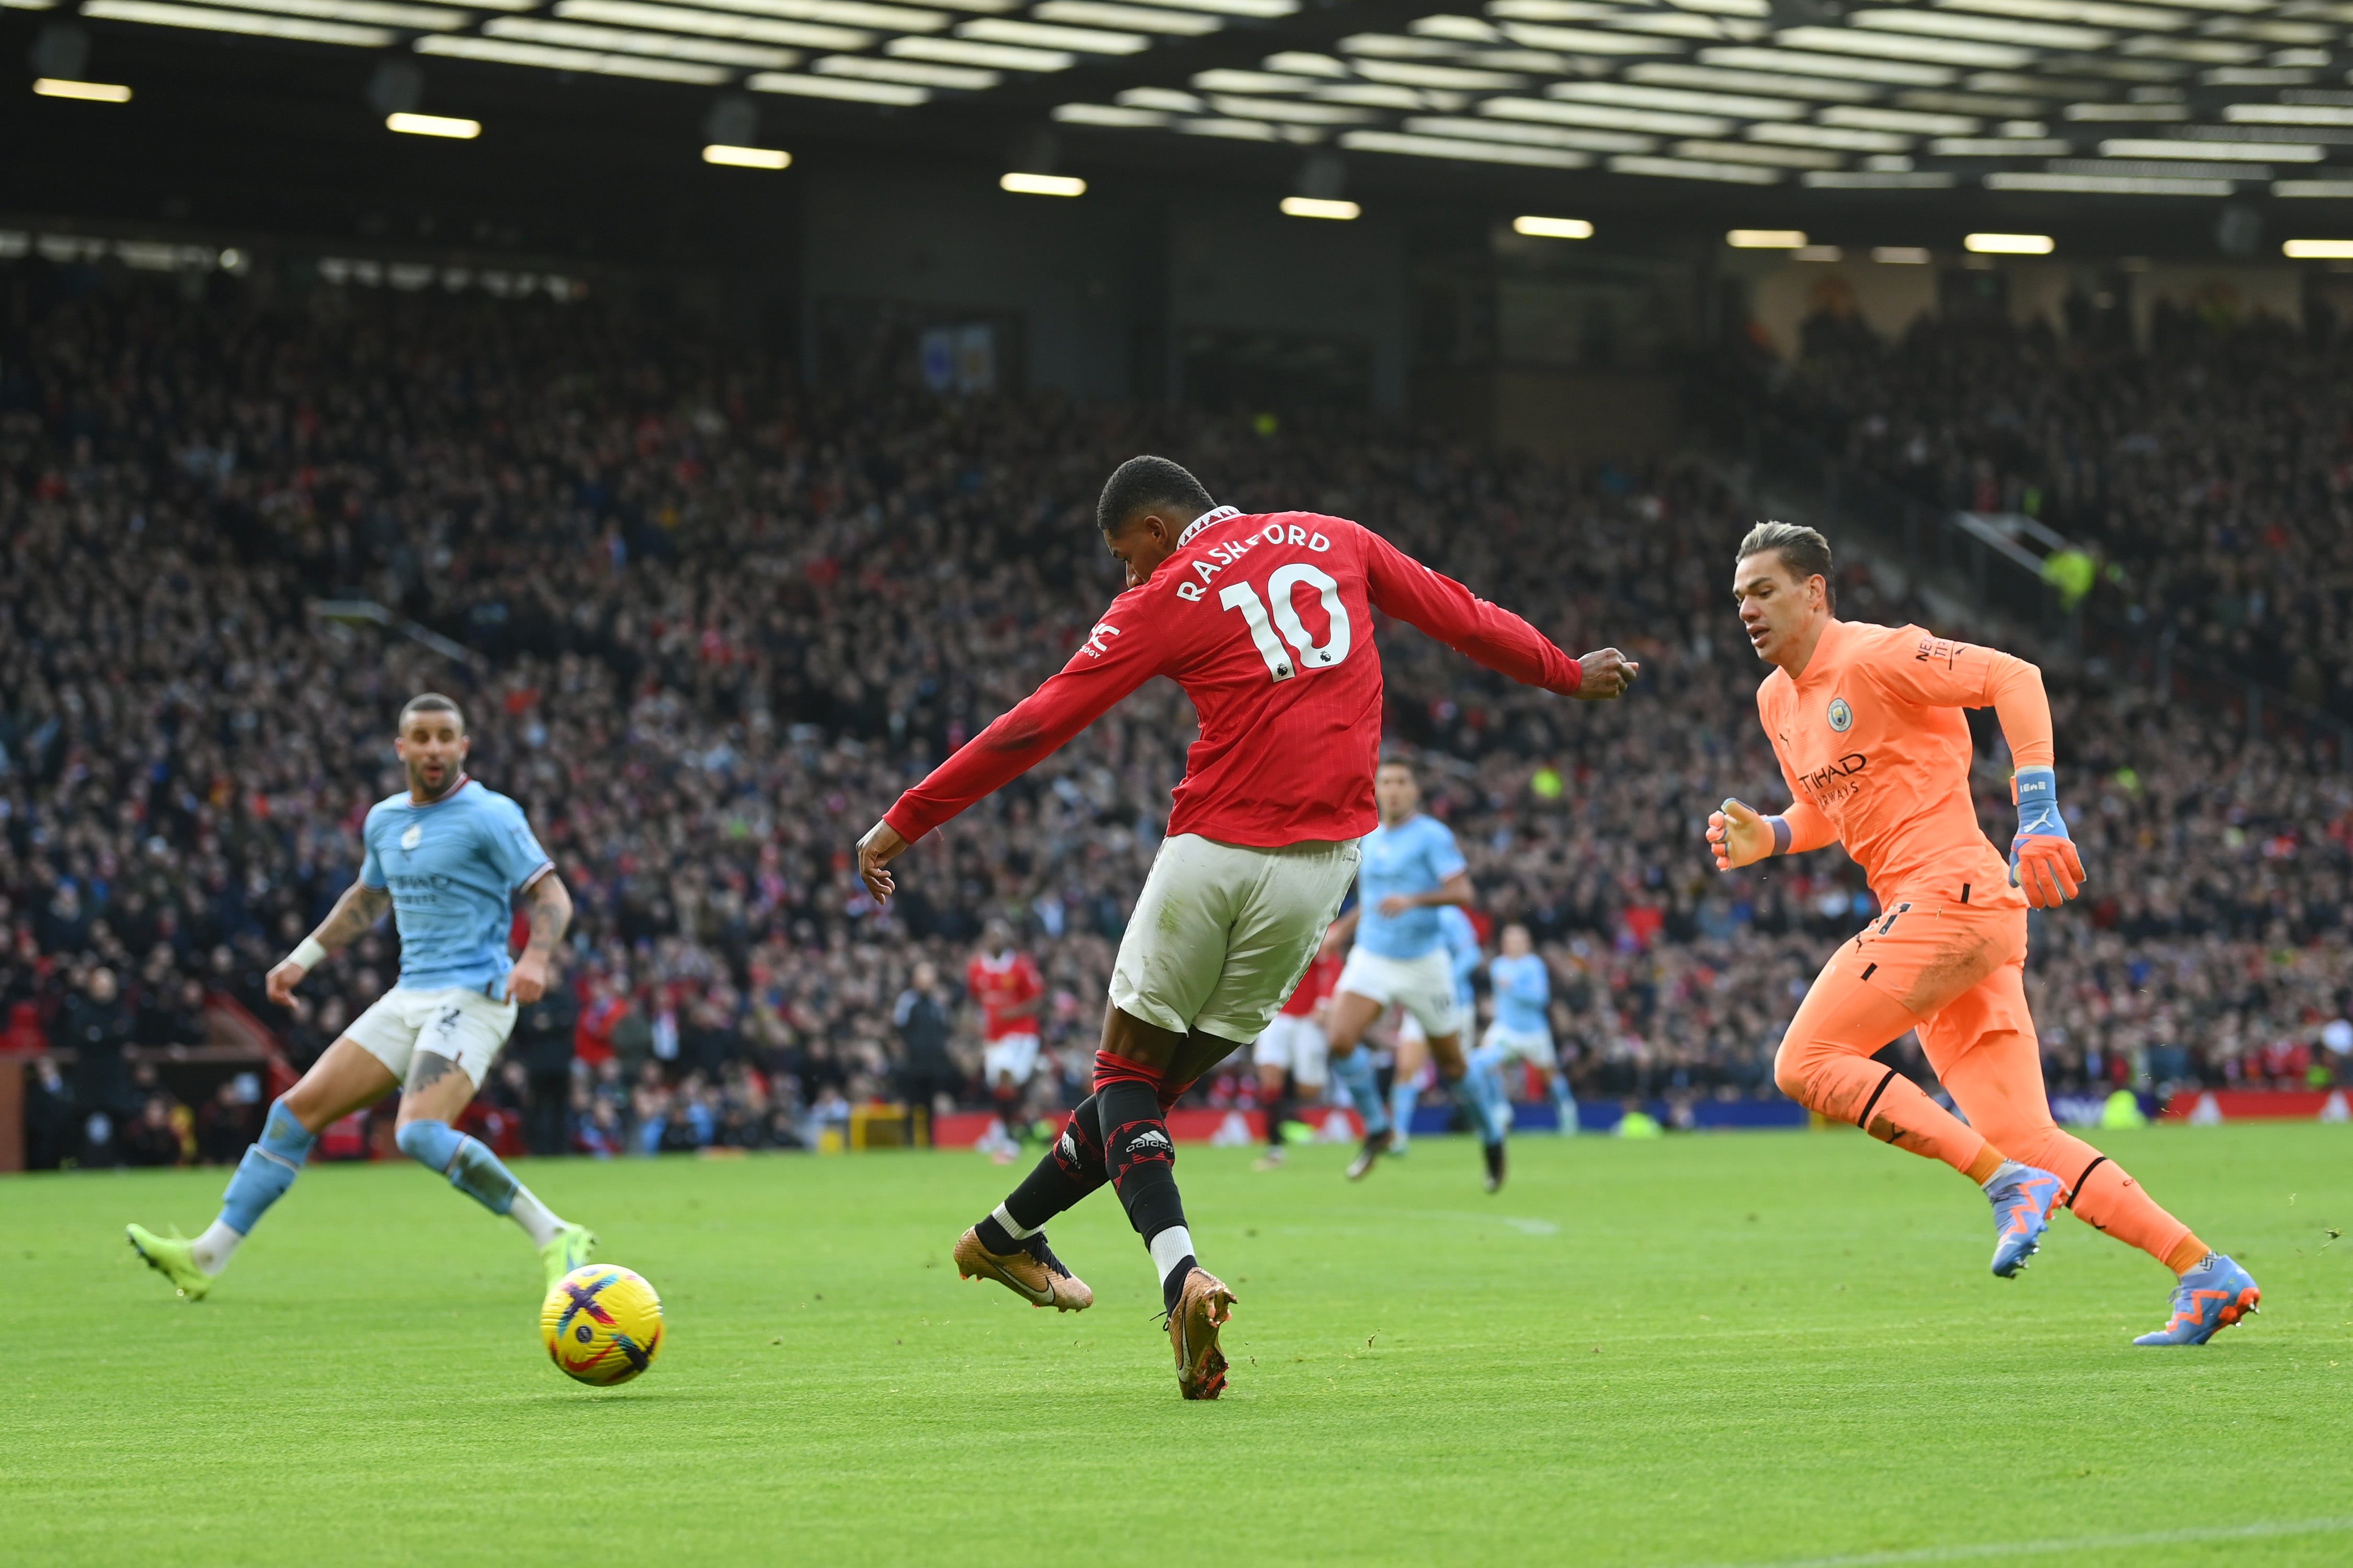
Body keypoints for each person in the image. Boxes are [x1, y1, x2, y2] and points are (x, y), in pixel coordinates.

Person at [855, 455, 1635, 1398]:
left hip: (1213, 849)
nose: (1123, 576)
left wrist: (906, 816)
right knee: (1146, 1095)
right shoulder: (1335, 535)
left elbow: (1039, 719)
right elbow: (1457, 613)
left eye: (1121, 555)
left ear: (1152, 529)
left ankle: (1180, 1272)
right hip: (1320, 873)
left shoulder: (1167, 591)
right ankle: (1000, 1237)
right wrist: (1562, 670)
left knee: (1122, 1078)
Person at [1707, 522, 2257, 1346]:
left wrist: (2035, 811)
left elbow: (2013, 675)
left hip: (1950, 895)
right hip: (1944, 915)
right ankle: (2203, 1271)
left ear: (1813, 591)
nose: (1746, 609)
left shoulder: (1875, 655)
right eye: (1738, 596)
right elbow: (1826, 806)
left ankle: (2003, 1185)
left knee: (1805, 1061)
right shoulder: (1775, 700)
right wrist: (1773, 837)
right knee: (2025, 1133)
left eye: (1764, 590)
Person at [127, 694, 597, 1301]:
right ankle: (206, 1256)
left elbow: (552, 894)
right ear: (401, 747)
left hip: (476, 994)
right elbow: (366, 898)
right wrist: (301, 958)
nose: (433, 748)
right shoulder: (384, 820)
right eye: (421, 737)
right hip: (411, 994)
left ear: (463, 746)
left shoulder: (490, 814)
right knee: (292, 1113)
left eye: (445, 736)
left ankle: (556, 1233)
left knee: (419, 1132)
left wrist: (535, 957)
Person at [1319, 760, 1505, 1189]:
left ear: (1415, 790)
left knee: (1453, 1066)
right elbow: (1375, 899)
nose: (1394, 790)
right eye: (1386, 782)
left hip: (1424, 962)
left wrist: (1415, 900)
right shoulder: (1370, 834)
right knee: (1339, 1039)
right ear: (1376, 789)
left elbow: (1463, 892)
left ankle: (1492, 1136)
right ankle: (1377, 1126)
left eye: (1402, 782)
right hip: (1373, 955)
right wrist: (1341, 930)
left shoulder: (1432, 836)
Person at [1473, 923, 1578, 1137]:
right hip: (1507, 1029)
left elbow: (1540, 999)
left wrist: (1514, 988)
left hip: (1533, 1031)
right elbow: (1502, 999)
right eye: (1509, 940)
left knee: (1550, 1075)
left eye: (1517, 940)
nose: (1513, 945)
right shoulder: (1498, 966)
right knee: (1486, 1063)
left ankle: (1568, 1112)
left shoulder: (1534, 966)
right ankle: (1500, 1114)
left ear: (1527, 944)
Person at [1250, 944, 1339, 1171]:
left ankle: (1290, 1115)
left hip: (1308, 1020)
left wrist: (1324, 1004)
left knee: (1310, 1090)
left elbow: (1333, 965)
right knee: (1270, 1080)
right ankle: (1275, 1150)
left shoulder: (1316, 932)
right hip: (1275, 1016)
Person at [965, 919, 1044, 1162]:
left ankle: (1009, 1138)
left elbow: (1038, 1001)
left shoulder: (1021, 966)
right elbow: (976, 999)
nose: (995, 941)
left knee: (1006, 1078)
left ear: (1007, 940)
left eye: (999, 936)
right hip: (994, 1037)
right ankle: (1008, 1130)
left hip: (1021, 1034)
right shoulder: (978, 967)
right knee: (1000, 1084)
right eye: (991, 936)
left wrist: (1013, 1013)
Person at [512, 948, 580, 1157]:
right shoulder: (531, 999)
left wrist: (547, 1023)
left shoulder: (566, 998)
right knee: (536, 1109)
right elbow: (524, 1027)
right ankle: (536, 1150)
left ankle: (560, 1150)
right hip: (537, 1065)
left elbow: (569, 1022)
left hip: (560, 1064)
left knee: (560, 1108)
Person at [893, 960, 960, 1142]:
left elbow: (945, 1029)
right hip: (913, 1062)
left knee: (930, 1105)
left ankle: (930, 1142)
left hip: (933, 1063)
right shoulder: (907, 1000)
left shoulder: (938, 1003)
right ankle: (909, 1142)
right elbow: (899, 1027)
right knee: (911, 1103)